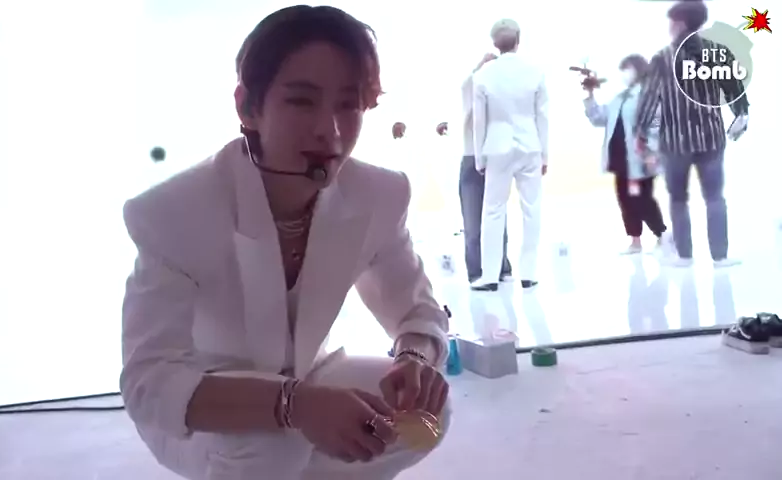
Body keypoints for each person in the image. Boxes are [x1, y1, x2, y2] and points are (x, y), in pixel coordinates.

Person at [119, 6, 451, 480]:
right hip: (207, 405)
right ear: (247, 108)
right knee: (270, 444)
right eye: (301, 101)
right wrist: (295, 405)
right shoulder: (172, 213)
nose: (329, 131)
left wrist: (416, 360)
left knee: (429, 414)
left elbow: (417, 312)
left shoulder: (379, 194)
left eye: (348, 104)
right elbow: (149, 383)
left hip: (313, 376)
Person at [634, 0, 748, 267]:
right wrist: (741, 116)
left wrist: (641, 133)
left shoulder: (662, 58)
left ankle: (684, 256)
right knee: (715, 197)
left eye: (672, 21)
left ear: (680, 23)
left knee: (678, 199)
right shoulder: (717, 53)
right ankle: (720, 256)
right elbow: (735, 92)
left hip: (675, 142)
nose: (669, 26)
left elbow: (649, 99)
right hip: (711, 138)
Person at [470, 19, 548, 291]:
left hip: (497, 148)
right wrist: (545, 155)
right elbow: (542, 116)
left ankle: (490, 276)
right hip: (530, 146)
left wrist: (479, 157)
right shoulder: (535, 71)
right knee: (532, 209)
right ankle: (528, 273)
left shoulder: (483, 76)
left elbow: (479, 121)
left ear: (494, 44)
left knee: (493, 211)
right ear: (518, 39)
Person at [436, 53, 513, 287]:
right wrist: (482, 63)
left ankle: (501, 267)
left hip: (496, 161)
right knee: (473, 222)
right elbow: (466, 85)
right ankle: (477, 271)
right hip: (472, 162)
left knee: (498, 218)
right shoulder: (470, 95)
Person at [583, 54, 669, 254]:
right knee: (625, 199)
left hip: (640, 159)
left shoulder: (649, 95)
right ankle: (635, 240)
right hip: (620, 159)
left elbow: (656, 125)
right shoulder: (620, 97)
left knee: (642, 198)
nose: (625, 74)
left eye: (628, 69)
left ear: (639, 69)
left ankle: (663, 235)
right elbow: (598, 118)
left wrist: (652, 151)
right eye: (623, 69)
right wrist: (589, 96)